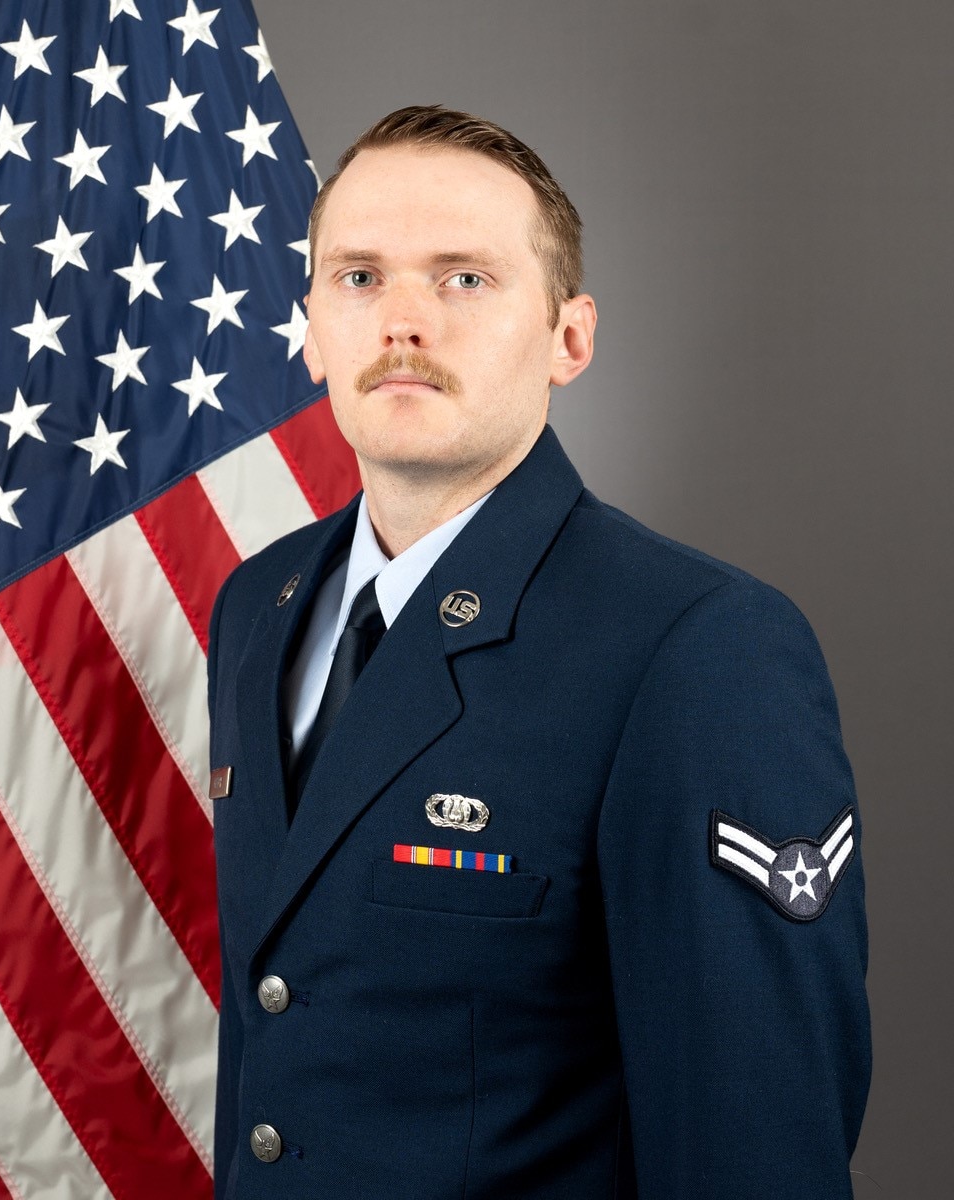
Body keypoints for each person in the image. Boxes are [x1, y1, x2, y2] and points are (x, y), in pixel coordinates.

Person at [207, 105, 870, 1199]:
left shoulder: (696, 649)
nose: (403, 321)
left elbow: (755, 1141)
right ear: (312, 328)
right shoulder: (257, 606)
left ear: (571, 338)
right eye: (360, 278)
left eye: (465, 279)